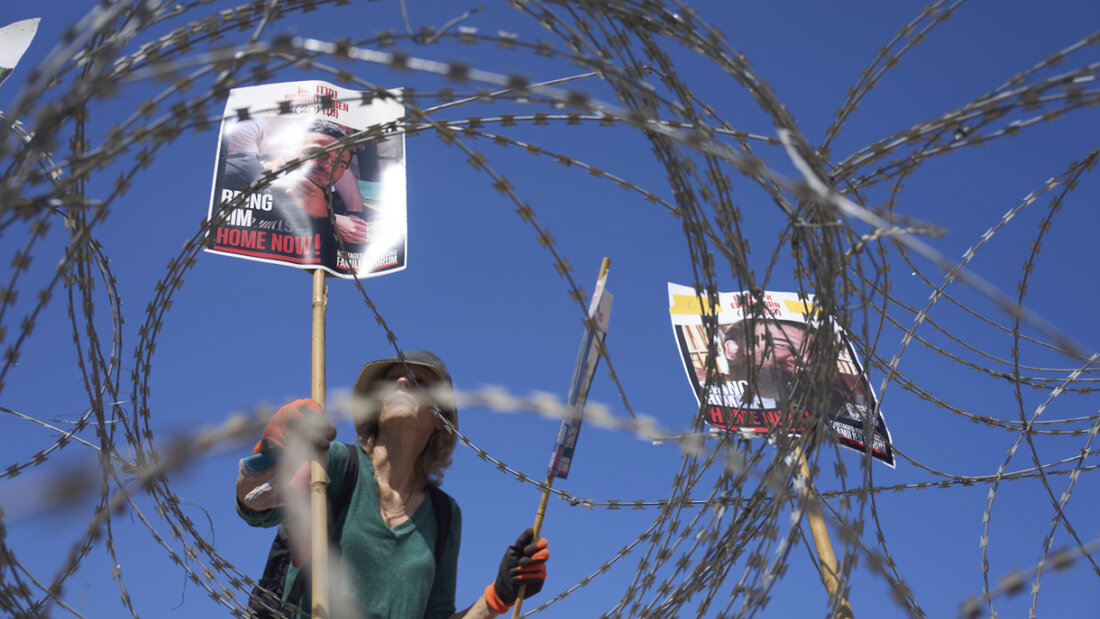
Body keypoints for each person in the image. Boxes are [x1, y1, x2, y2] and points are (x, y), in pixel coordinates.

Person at [236, 351, 549, 618]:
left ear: (439, 418)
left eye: (419, 382)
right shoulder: (334, 463)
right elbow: (255, 506)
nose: (402, 382)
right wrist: (268, 458)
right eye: (393, 379)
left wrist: (497, 596)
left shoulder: (444, 516)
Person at [220, 118, 371, 246]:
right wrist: (328, 219)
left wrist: (354, 215)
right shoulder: (239, 168)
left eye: (338, 163)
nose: (327, 166)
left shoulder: (336, 202)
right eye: (316, 153)